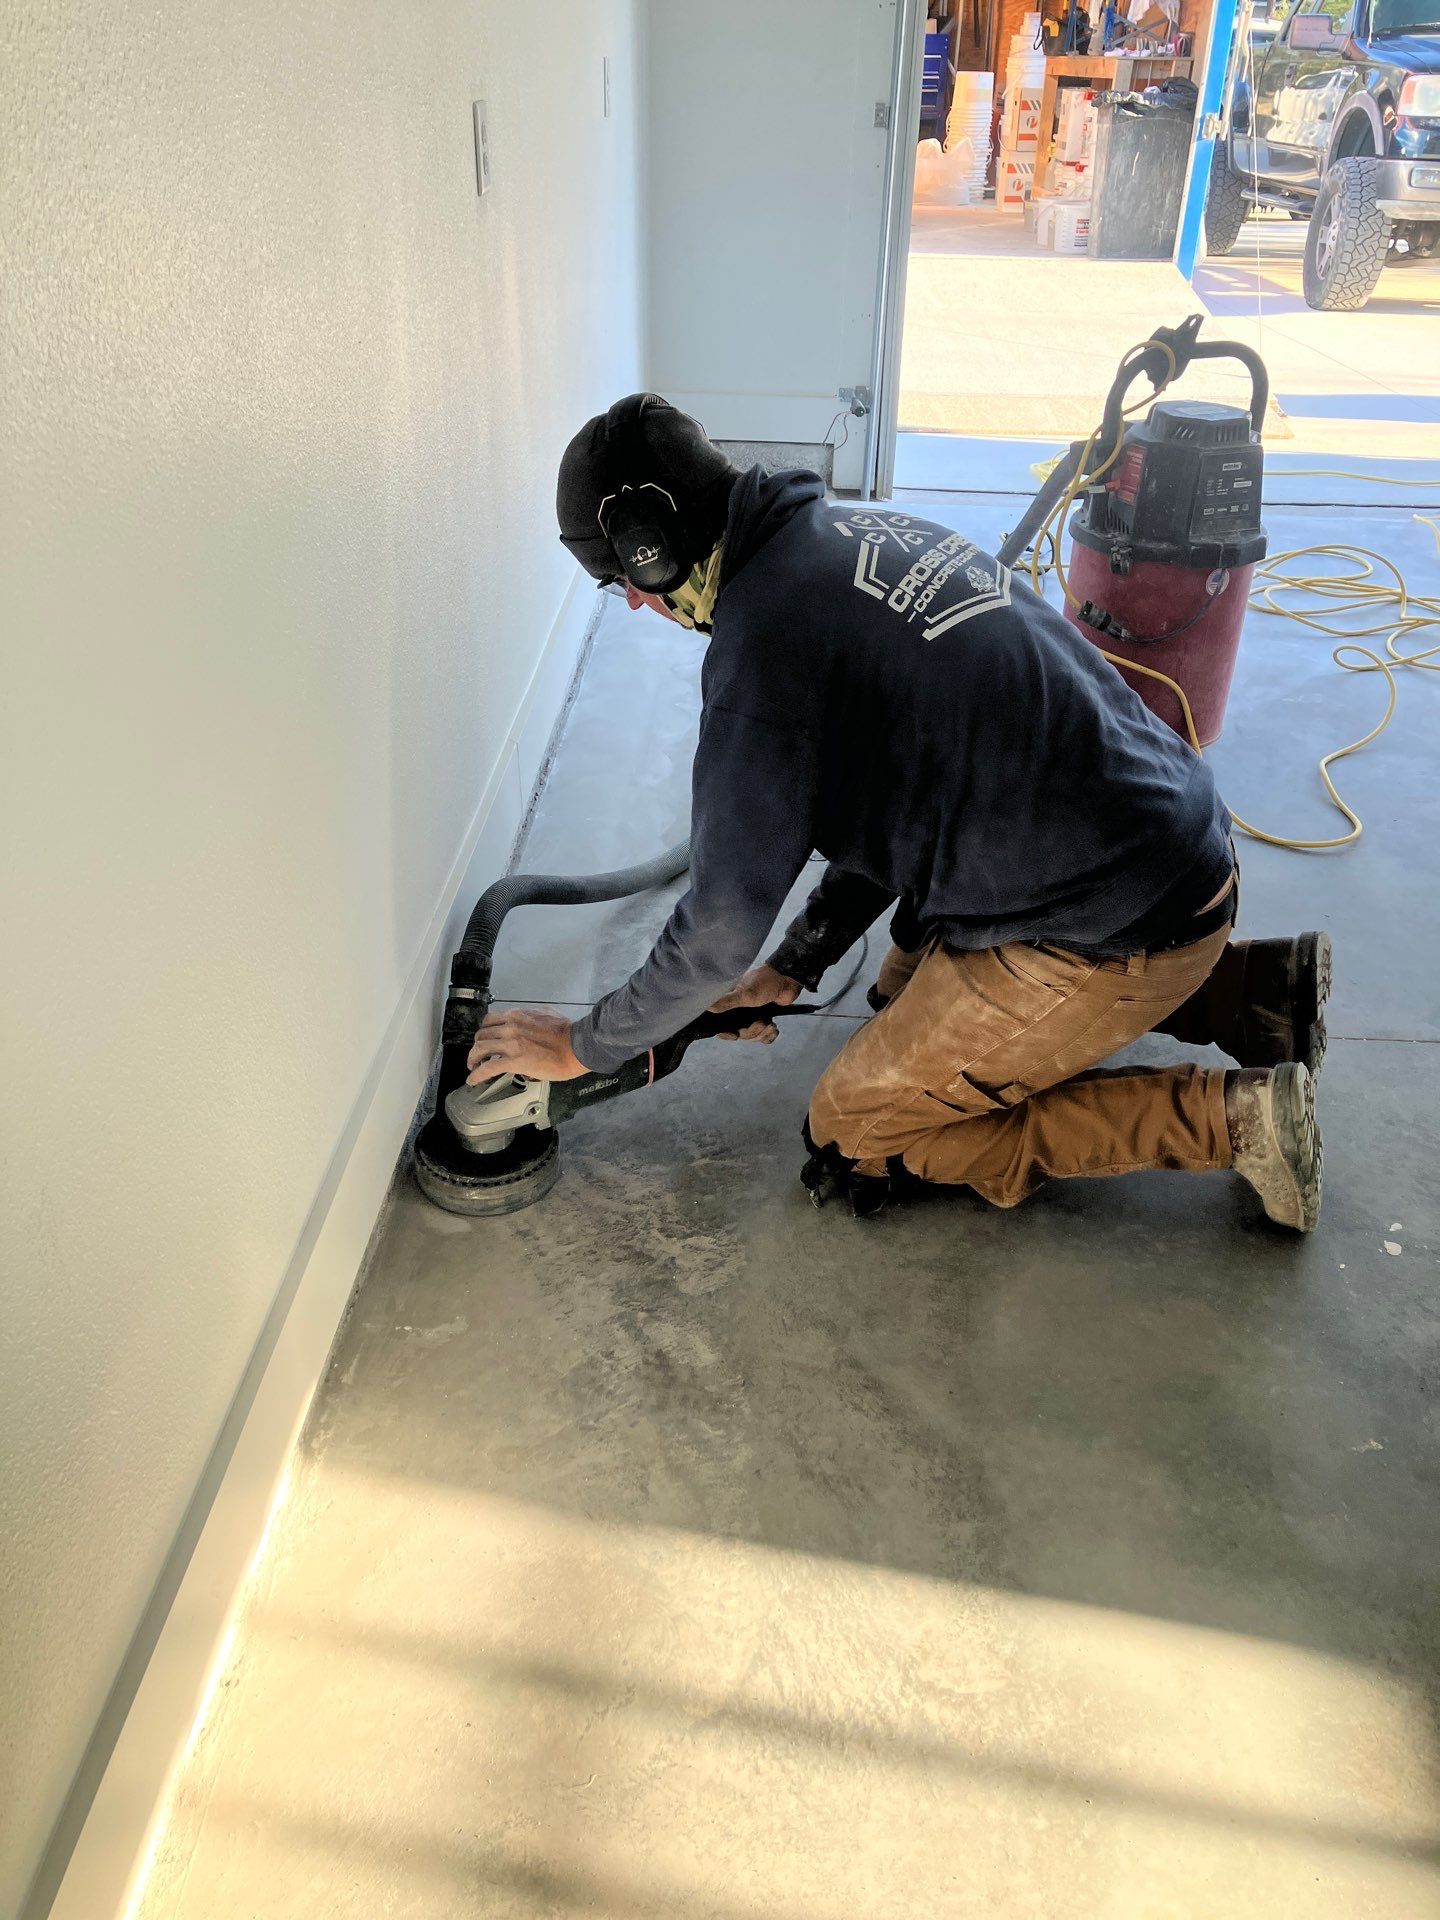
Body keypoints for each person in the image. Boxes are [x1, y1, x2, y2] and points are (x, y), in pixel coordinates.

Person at [468, 395, 1328, 1230]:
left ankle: (1233, 1122)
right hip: (1176, 849)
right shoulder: (856, 529)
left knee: (859, 1128)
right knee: (897, 989)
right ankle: (1258, 996)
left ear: (651, 549)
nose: (633, 600)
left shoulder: (765, 655)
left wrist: (585, 1046)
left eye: (621, 578)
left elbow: (720, 928)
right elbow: (893, 785)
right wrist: (798, 962)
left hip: (1116, 923)